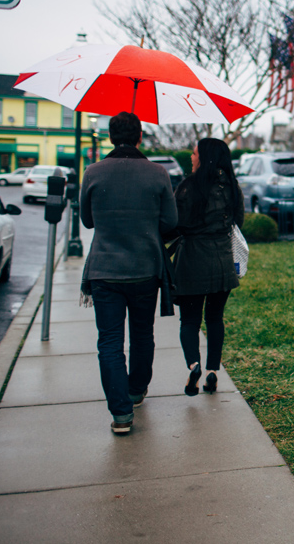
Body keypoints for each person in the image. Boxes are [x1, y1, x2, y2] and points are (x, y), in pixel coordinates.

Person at [80, 112, 177, 436]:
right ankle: (136, 391)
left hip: (105, 270)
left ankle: (121, 414)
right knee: (142, 334)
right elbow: (170, 221)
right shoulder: (158, 173)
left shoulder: (93, 172)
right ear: (139, 137)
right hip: (145, 269)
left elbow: (88, 221)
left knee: (108, 342)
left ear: (109, 137)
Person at [171, 138, 244, 396]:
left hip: (191, 260)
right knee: (215, 318)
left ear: (204, 157)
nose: (191, 158)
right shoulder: (232, 187)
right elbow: (239, 221)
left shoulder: (188, 187)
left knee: (190, 320)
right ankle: (213, 371)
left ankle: (194, 364)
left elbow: (173, 224)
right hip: (222, 261)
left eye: (194, 153)